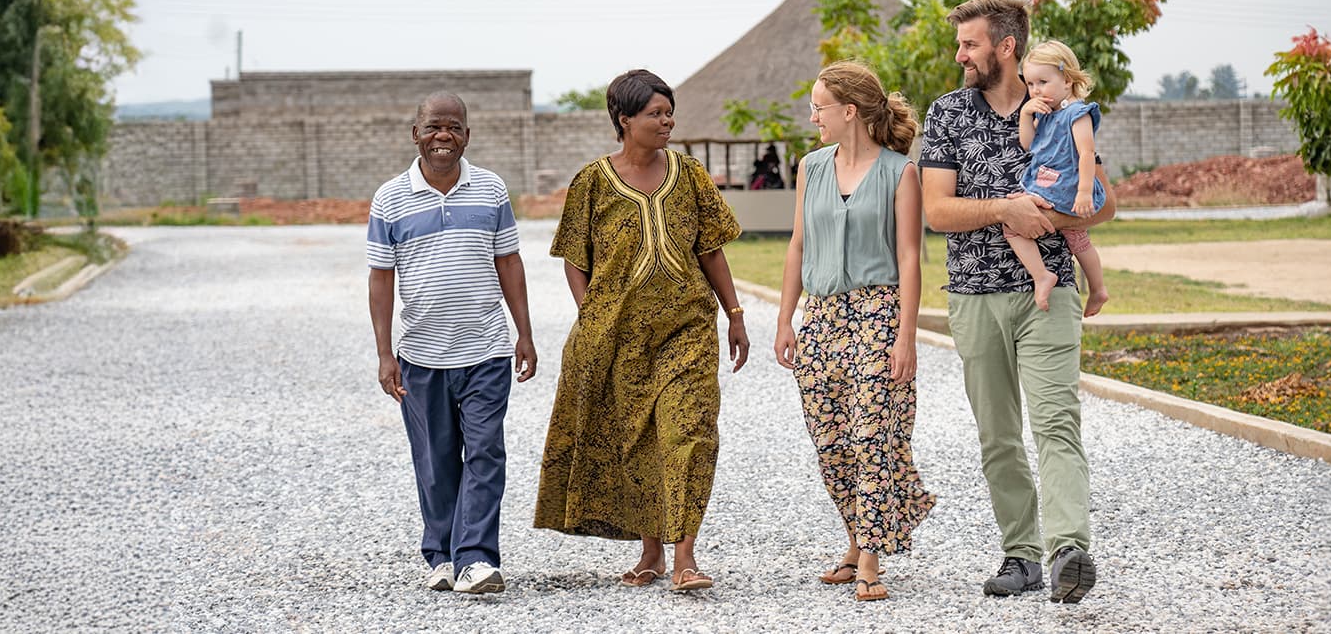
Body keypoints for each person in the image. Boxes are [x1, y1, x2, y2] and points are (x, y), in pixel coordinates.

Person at [916, 0, 1116, 604]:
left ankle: (1067, 552)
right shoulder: (948, 112)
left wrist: (1048, 219)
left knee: (1057, 421)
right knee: (999, 435)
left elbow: (1104, 204)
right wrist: (1005, 208)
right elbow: (936, 211)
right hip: (974, 297)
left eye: (970, 44)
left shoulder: (1060, 109)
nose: (961, 55)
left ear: (1005, 47)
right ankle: (1022, 554)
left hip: (1047, 296)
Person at [535, 69, 749, 593]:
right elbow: (574, 259)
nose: (666, 121)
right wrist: (593, 320)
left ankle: (685, 557)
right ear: (624, 120)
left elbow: (710, 248)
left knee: (688, 433)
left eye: (668, 111)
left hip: (687, 330)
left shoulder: (690, 174)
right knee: (637, 441)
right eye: (655, 113)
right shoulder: (592, 181)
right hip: (619, 338)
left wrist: (735, 314)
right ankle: (650, 551)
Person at [773, 61, 934, 603]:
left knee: (874, 436)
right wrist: (785, 318)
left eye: (819, 106)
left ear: (849, 112)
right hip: (820, 317)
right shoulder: (810, 167)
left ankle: (869, 557)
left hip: (879, 313)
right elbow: (798, 244)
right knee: (832, 440)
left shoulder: (898, 172)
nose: (812, 115)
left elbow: (910, 257)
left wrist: (905, 336)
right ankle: (856, 536)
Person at [366, 92, 537, 595]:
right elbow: (381, 278)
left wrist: (523, 332)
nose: (445, 136)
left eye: (455, 127)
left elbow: (509, 262)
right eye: (435, 126)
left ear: (467, 134)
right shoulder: (390, 198)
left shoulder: (491, 190)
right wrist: (384, 353)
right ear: (415, 133)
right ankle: (441, 555)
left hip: (485, 349)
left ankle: (477, 558)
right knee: (436, 461)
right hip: (420, 355)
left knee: (485, 451)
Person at [1012, 40, 1110, 316]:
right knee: (1077, 239)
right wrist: (1024, 115)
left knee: (1012, 223)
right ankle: (1098, 288)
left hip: (1066, 185)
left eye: (1043, 81)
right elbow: (1029, 145)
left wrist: (1084, 192)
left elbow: (1087, 153)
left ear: (1067, 81)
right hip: (1049, 181)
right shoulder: (1045, 113)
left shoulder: (1076, 114)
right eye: (1031, 84)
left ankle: (1041, 276)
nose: (1036, 90)